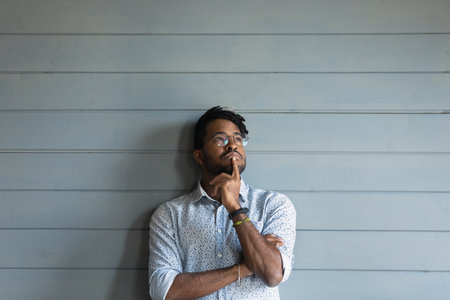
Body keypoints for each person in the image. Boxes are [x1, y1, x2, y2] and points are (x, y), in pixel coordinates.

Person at [149, 106, 296, 300]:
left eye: (237, 138)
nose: (232, 145)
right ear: (199, 155)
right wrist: (245, 267)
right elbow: (165, 292)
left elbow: (273, 274)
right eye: (220, 139)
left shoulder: (273, 205)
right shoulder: (170, 214)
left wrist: (235, 208)